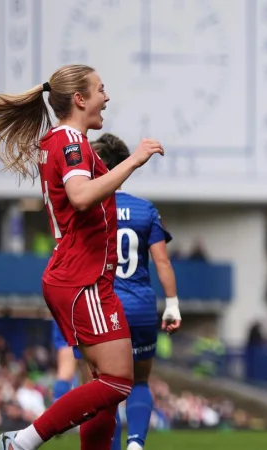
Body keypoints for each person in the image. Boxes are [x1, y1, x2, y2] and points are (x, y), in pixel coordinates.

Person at [0, 64, 164, 450]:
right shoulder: (70, 140)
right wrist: (133, 161)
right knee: (119, 381)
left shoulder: (62, 139)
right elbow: (80, 196)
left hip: (83, 277)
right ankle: (22, 442)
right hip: (83, 279)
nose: (107, 97)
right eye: (101, 89)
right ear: (80, 99)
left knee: (105, 384)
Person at [93, 132, 182, 450]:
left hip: (103, 306)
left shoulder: (89, 208)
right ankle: (135, 444)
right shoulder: (145, 209)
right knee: (140, 380)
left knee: (101, 386)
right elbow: (162, 262)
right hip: (141, 307)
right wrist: (172, 305)